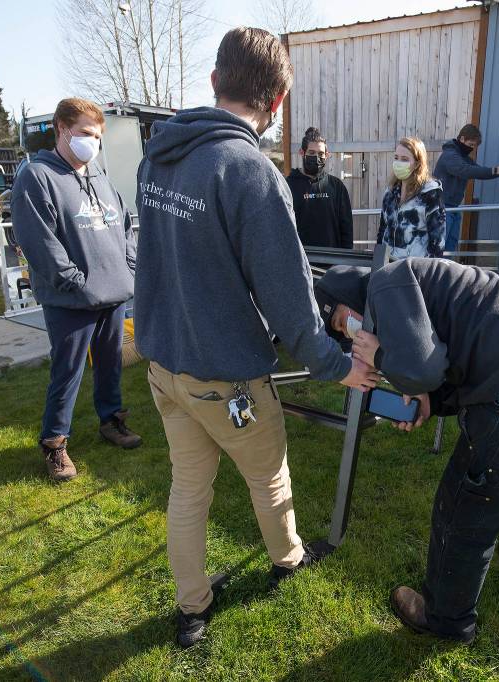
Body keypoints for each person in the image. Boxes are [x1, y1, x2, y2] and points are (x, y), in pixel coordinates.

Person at [133, 27, 379, 649]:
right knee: (268, 479)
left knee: (188, 489)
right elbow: (291, 304)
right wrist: (340, 366)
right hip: (223, 375)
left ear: (215, 81)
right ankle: (288, 559)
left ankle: (192, 609)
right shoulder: (248, 170)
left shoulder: (159, 152)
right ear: (276, 102)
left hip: (165, 365)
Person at [314, 259, 499, 643]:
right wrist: (431, 401)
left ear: (346, 298)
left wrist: (381, 355)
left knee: (465, 507)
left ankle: (446, 619)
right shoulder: (421, 281)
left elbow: (423, 369)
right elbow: (452, 360)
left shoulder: (384, 284)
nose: (351, 338)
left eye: (343, 324)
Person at [11, 97, 142, 483]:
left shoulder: (100, 177)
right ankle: (55, 445)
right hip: (71, 300)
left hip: (113, 295)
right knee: (66, 372)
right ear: (61, 130)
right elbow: (40, 243)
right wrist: (78, 284)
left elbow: (125, 228)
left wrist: (128, 272)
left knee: (109, 364)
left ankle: (111, 420)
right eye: (85, 133)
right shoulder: (37, 177)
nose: (92, 142)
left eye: (97, 135)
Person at [434, 124, 499, 253]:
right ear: (462, 139)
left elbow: (478, 171)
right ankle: (436, 272)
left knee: (451, 245)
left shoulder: (463, 158)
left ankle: (446, 271)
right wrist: (496, 170)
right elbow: (466, 170)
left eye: (474, 146)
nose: (472, 149)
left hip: (454, 207)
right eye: (471, 144)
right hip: (443, 207)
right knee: (440, 246)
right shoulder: (450, 155)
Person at [376, 137, 446, 259]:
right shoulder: (390, 192)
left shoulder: (430, 193)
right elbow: (382, 229)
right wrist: (377, 258)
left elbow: (437, 240)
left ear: (417, 163)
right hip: (387, 265)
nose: (398, 163)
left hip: (414, 268)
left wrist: (429, 273)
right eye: (396, 158)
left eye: (405, 159)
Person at [285, 126, 353, 249]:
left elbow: (346, 228)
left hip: (332, 261)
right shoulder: (287, 186)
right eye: (311, 152)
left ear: (327, 155)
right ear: (302, 152)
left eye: (321, 153)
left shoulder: (337, 186)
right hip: (301, 260)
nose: (316, 157)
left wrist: (345, 260)